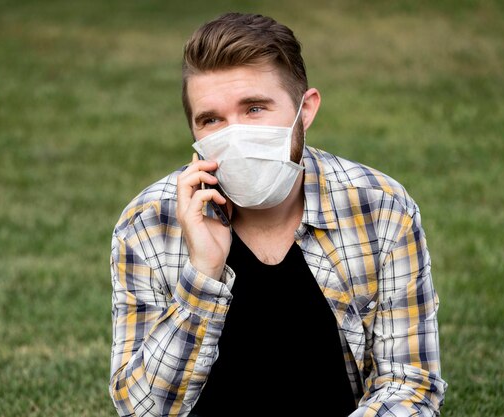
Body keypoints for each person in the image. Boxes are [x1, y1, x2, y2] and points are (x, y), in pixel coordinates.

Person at [109, 12, 447, 417]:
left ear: (305, 111)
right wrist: (202, 274)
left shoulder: (382, 209)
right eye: (211, 119)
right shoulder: (147, 224)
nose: (234, 134)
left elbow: (409, 387)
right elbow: (141, 409)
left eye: (254, 109)